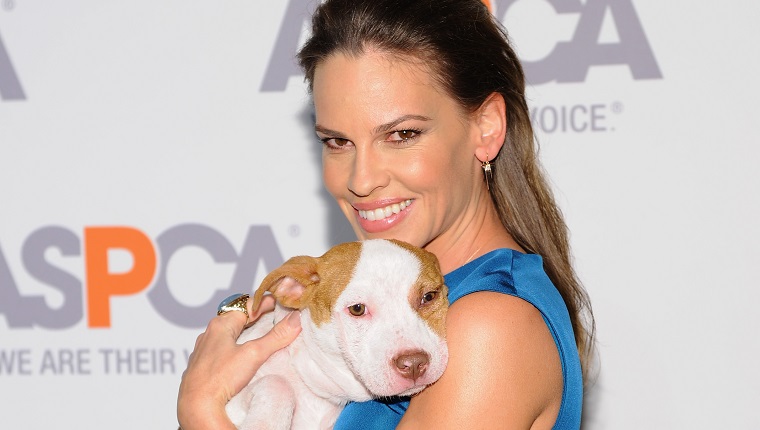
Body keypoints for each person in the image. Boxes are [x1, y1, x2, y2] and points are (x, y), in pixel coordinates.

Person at [177, 0, 595, 428]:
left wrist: (202, 411)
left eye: (401, 134)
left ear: (486, 128)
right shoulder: (362, 305)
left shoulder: (488, 328)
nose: (361, 179)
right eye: (337, 142)